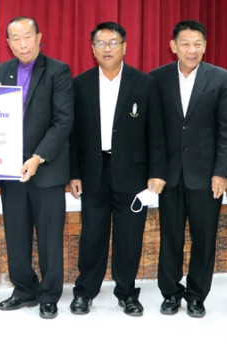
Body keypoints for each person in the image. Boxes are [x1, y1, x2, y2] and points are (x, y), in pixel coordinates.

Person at [69, 22, 166, 317]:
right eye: (101, 43)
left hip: (133, 174)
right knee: (92, 235)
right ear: (92, 49)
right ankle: (85, 292)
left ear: (124, 47)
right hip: (93, 171)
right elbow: (73, 134)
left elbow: (156, 132)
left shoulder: (145, 83)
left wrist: (157, 173)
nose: (107, 48)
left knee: (129, 236)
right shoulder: (80, 84)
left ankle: (127, 293)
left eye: (113, 43)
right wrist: (74, 173)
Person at [151, 20, 227, 318]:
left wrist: (221, 172)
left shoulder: (220, 78)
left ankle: (197, 295)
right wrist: (156, 171)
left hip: (207, 175)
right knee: (170, 238)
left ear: (205, 46)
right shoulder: (157, 78)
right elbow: (154, 130)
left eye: (197, 43)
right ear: (173, 46)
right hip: (171, 175)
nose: (192, 49)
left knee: (204, 239)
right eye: (185, 43)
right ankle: (171, 293)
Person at [0, 16, 73, 319]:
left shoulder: (58, 71)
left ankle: (49, 295)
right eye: (16, 38)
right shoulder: (2, 71)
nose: (23, 44)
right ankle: (24, 289)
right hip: (10, 171)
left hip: (46, 170)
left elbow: (63, 121)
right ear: (8, 43)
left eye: (28, 36)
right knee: (17, 235)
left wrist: (38, 158)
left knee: (50, 237)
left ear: (39, 37)